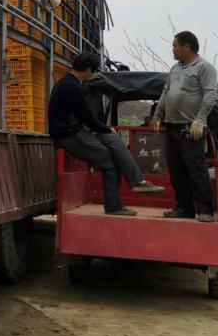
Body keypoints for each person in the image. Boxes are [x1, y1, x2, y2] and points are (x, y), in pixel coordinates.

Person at [48, 51, 166, 216]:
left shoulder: (68, 83)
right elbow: (86, 117)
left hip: (78, 131)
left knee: (112, 138)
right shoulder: (71, 87)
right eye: (93, 71)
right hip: (68, 136)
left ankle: (138, 182)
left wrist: (106, 130)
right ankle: (113, 206)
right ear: (88, 70)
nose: (92, 75)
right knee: (110, 162)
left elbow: (86, 120)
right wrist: (104, 128)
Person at [152, 31, 218, 222]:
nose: (172, 49)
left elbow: (210, 94)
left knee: (195, 167)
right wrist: (158, 114)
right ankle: (184, 208)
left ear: (186, 47)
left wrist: (200, 120)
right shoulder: (175, 69)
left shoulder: (204, 67)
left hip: (192, 126)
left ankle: (205, 210)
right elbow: (166, 92)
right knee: (176, 169)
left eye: (175, 46)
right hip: (172, 125)